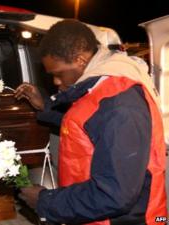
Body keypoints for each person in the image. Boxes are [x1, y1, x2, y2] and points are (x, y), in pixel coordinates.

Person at [15, 19, 167, 225]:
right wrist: (45, 107)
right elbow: (91, 128)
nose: (56, 82)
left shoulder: (120, 104)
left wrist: (46, 202)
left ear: (80, 60)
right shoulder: (99, 85)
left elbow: (114, 195)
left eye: (58, 74)